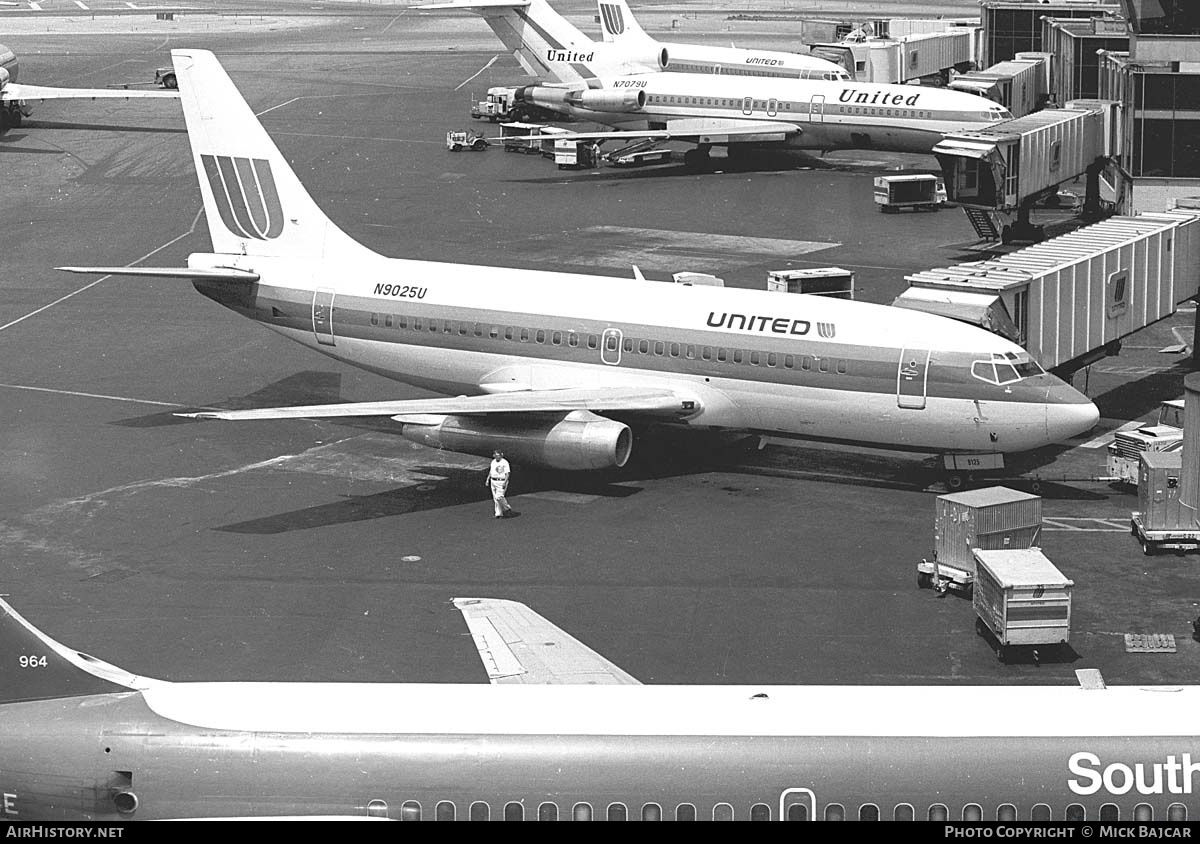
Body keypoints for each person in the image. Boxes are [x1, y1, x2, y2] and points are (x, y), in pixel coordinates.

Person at [486, 450, 513, 519]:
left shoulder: (505, 462)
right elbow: (491, 471)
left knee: (499, 497)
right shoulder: (493, 462)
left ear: (501, 455)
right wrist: (488, 479)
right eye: (496, 455)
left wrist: (505, 482)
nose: (497, 457)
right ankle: (498, 514)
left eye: (499, 455)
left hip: (501, 481)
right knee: (495, 498)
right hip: (493, 481)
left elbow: (507, 473)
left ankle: (507, 508)